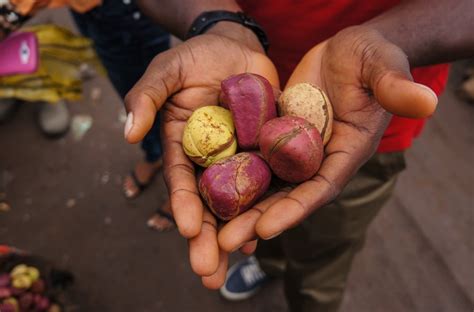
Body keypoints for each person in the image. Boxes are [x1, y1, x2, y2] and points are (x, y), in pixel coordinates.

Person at [123, 0, 474, 311]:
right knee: (266, 230)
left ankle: (311, 298)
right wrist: (216, 21)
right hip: (238, 55)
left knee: (321, 256)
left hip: (356, 118)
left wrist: (387, 39)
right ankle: (270, 265)